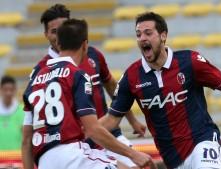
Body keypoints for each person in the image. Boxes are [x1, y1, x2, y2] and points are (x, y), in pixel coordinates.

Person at [99, 12, 221, 169]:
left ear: (163, 35)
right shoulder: (132, 76)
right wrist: (83, 133)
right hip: (172, 158)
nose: (142, 38)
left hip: (203, 140)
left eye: (148, 33)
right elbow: (112, 120)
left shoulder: (189, 62)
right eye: (138, 34)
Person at [22, 19, 153, 169]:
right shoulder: (77, 75)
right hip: (72, 155)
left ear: (58, 44)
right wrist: (133, 154)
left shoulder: (34, 81)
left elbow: (26, 141)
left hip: (45, 160)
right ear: (85, 45)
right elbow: (92, 129)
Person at [0, 75, 24, 150]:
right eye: (5, 89)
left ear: (15, 90)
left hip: (17, 157)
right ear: (1, 89)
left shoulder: (23, 110)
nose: (8, 93)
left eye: (11, 89)